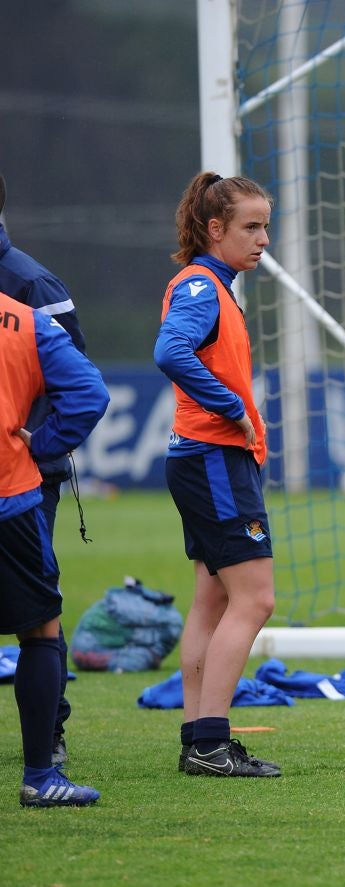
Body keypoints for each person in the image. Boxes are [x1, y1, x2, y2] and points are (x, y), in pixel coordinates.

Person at [154, 172, 282, 777]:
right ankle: (209, 742)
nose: (263, 239)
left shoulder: (216, 286)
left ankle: (198, 739)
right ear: (215, 229)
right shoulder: (202, 287)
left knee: (212, 600)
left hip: (205, 460)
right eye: (251, 227)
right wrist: (232, 407)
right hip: (212, 459)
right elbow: (170, 351)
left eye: (265, 225)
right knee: (255, 600)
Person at [2, 287, 109, 806]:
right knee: (41, 630)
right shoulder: (25, 322)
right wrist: (40, 445)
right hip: (11, 501)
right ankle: (41, 777)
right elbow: (90, 393)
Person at [0, 172, 88, 767]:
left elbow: (74, 379)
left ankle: (47, 737)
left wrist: (41, 445)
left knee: (38, 614)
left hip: (24, 481)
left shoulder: (30, 282)